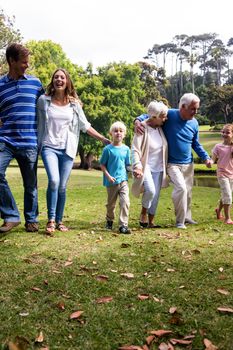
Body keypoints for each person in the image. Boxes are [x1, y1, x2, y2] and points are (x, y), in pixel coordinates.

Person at [37, 68, 110, 234]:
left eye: (62, 77)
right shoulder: (43, 100)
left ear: (67, 81)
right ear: (52, 81)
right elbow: (36, 121)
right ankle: (51, 220)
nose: (59, 80)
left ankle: (60, 221)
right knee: (54, 181)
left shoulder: (74, 105)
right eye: (56, 77)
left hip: (68, 149)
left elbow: (85, 126)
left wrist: (103, 139)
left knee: (62, 186)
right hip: (49, 146)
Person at [135, 93, 212, 229]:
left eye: (197, 109)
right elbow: (149, 115)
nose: (196, 112)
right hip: (172, 163)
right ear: (183, 107)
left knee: (187, 192)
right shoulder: (169, 115)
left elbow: (196, 143)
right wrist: (137, 120)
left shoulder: (194, 122)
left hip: (188, 163)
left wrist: (205, 157)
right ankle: (179, 221)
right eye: (193, 109)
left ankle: (186, 217)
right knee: (181, 188)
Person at [0, 43, 44, 233]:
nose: (27, 65)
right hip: (6, 140)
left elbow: (51, 103)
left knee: (30, 184)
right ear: (11, 61)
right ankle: (11, 215)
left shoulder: (35, 84)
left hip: (29, 142)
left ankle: (31, 219)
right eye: (24, 62)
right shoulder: (0, 85)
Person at [131, 101, 168, 228]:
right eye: (163, 116)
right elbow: (135, 149)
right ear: (154, 117)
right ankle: (143, 213)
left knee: (156, 195)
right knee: (151, 191)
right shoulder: (141, 128)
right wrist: (137, 165)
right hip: (145, 166)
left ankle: (151, 222)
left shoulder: (160, 128)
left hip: (159, 167)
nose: (165, 118)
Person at [100, 121, 131, 234]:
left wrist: (135, 171)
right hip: (111, 182)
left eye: (121, 131)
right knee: (111, 205)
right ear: (111, 133)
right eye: (115, 131)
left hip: (123, 180)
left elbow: (127, 165)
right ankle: (109, 220)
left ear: (124, 134)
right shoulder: (108, 149)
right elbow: (102, 165)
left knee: (125, 202)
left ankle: (123, 225)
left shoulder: (126, 149)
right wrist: (108, 176)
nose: (118, 133)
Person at [212, 124, 233, 224]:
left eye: (227, 132)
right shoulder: (218, 146)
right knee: (228, 195)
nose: (224, 134)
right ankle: (227, 218)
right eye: (223, 132)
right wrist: (210, 163)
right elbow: (213, 159)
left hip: (232, 174)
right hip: (222, 174)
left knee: (225, 194)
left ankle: (218, 211)